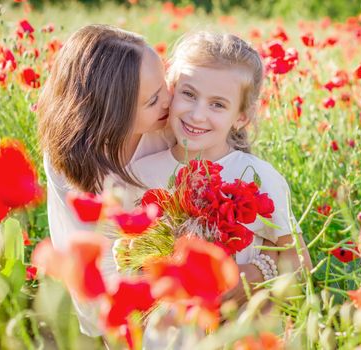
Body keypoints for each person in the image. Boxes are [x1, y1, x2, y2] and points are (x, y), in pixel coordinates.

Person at [128, 31, 313, 305]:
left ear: (240, 117)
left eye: (217, 104)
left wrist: (258, 277)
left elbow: (299, 264)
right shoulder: (141, 174)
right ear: (171, 91)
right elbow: (128, 260)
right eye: (189, 94)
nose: (197, 114)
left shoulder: (257, 177)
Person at [36, 24, 172, 337]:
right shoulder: (73, 155)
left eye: (165, 81)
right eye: (152, 100)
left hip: (166, 270)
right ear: (111, 115)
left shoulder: (170, 128)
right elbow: (98, 253)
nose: (169, 99)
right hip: (107, 277)